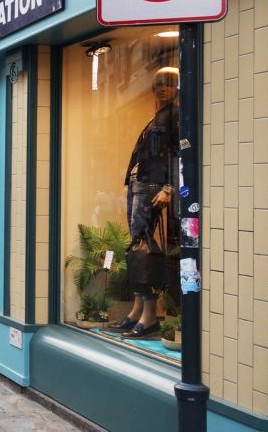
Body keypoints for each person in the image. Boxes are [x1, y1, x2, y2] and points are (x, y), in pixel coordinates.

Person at [108, 67, 180, 339]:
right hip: (140, 186)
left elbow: (177, 153)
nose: (162, 88)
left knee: (144, 248)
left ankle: (149, 316)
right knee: (137, 245)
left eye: (168, 84)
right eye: (159, 84)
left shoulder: (173, 116)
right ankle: (137, 311)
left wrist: (169, 187)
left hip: (151, 187)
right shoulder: (158, 117)